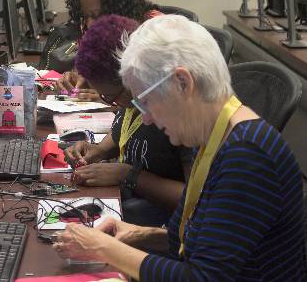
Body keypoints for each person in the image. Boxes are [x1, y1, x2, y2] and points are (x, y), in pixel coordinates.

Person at [54, 15, 306, 281]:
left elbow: (202, 277)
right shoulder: (217, 137)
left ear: (183, 83)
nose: (147, 117)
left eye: (146, 101)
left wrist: (105, 249)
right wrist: (140, 234)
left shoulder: (247, 155)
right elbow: (204, 243)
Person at [65, 14, 192, 227]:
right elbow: (121, 136)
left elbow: (196, 202)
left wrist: (130, 176)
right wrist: (97, 151)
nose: (111, 103)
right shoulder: (131, 101)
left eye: (110, 96)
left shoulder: (174, 114)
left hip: (162, 225)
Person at [56, 0, 158, 99]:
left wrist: (108, 98)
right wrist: (80, 76)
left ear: (119, 7)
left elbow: (158, 96)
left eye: (96, 15)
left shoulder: (154, 33)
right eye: (85, 16)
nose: (89, 24)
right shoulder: (95, 30)